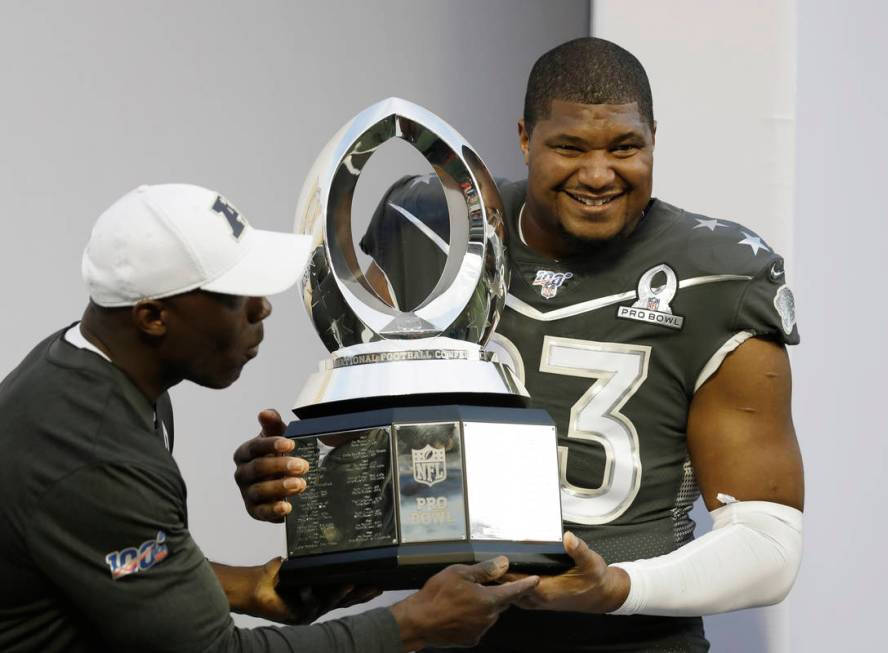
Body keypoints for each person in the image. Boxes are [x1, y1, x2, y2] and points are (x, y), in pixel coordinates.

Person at [235, 37, 805, 652]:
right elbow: (399, 453)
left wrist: (614, 587)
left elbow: (768, 542)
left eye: (624, 147)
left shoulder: (716, 273)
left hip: (633, 639)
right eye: (569, 147)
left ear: (654, 139)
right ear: (525, 138)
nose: (597, 174)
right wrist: (312, 477)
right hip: (453, 626)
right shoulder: (430, 221)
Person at [0, 183, 539, 652]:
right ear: (153, 317)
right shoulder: (94, 452)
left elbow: (94, 555)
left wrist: (248, 586)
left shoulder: (89, 364)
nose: (263, 308)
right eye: (238, 296)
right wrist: (412, 626)